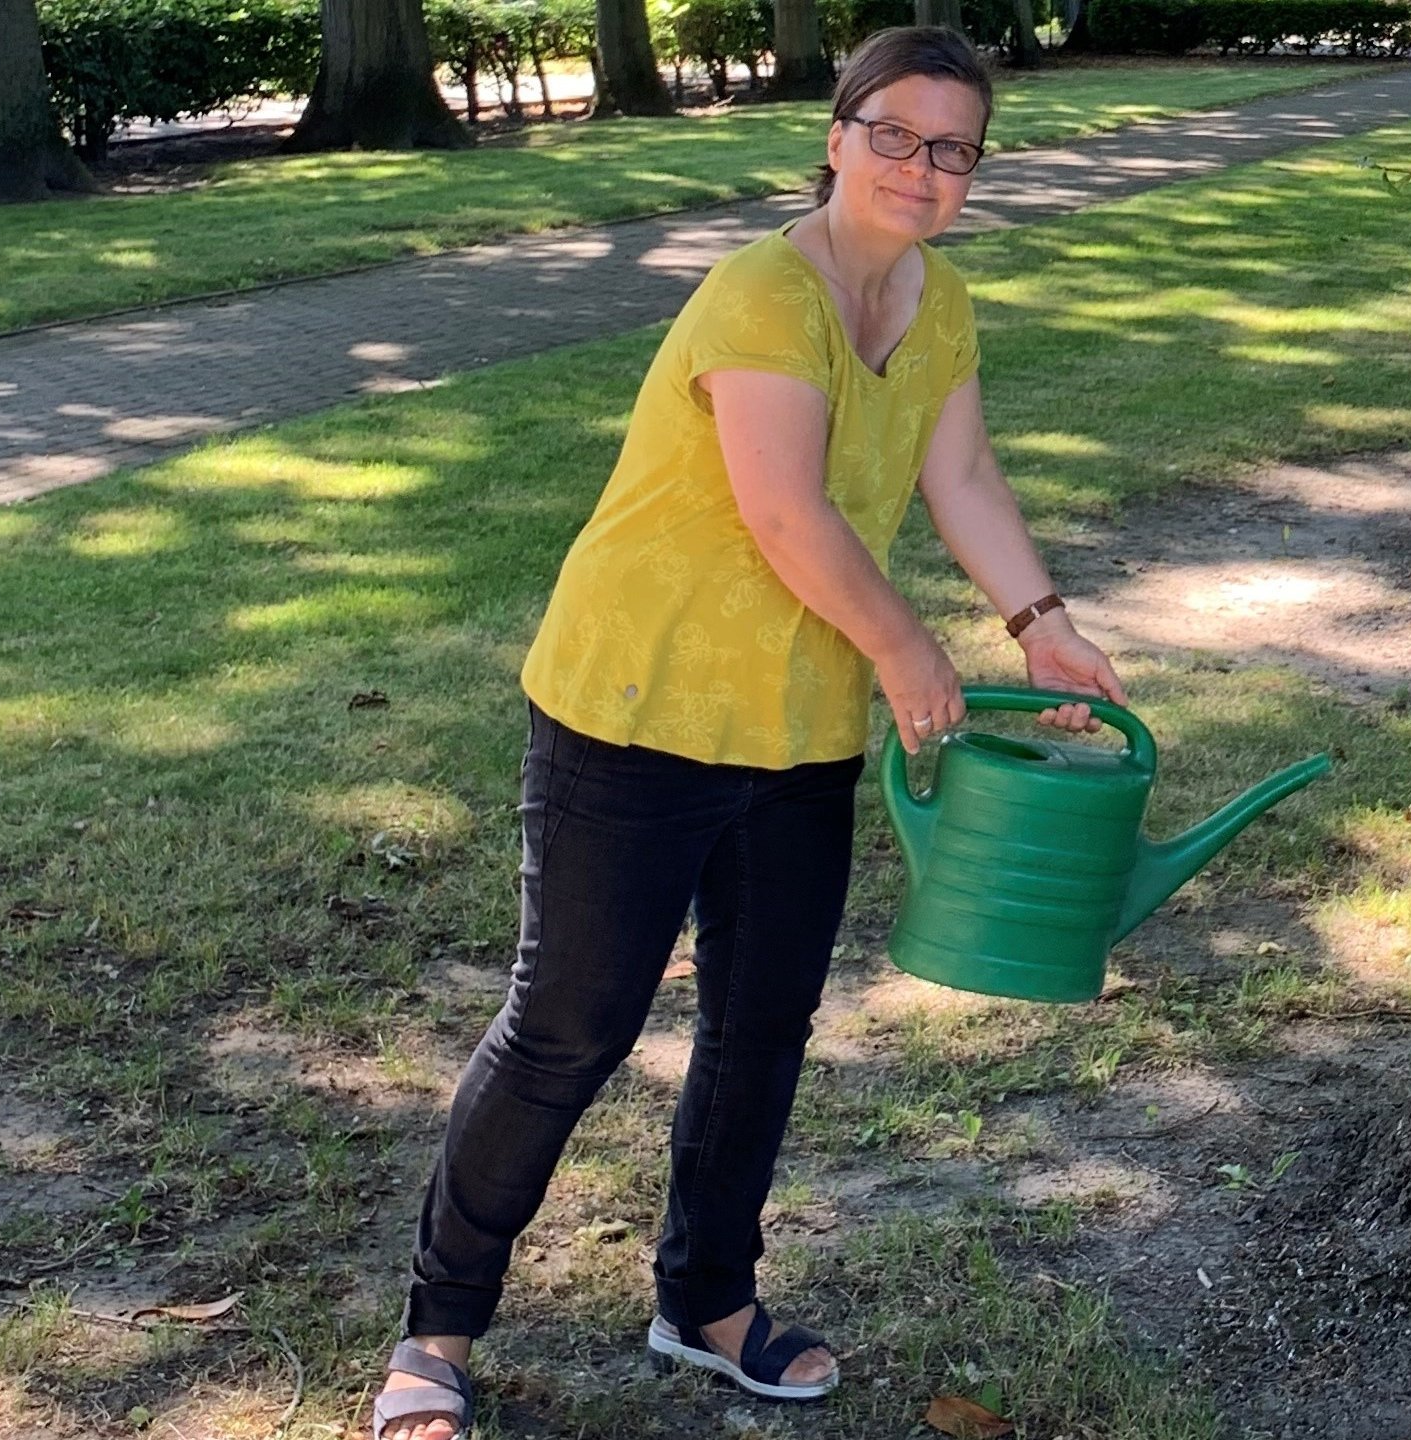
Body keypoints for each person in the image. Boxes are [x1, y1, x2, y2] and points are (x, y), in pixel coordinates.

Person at [368, 27, 1126, 1440]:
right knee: (568, 1029)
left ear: (973, 173)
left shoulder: (937, 300)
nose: (921, 166)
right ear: (837, 135)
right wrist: (908, 648)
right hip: (636, 705)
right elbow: (787, 510)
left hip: (796, 727)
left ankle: (708, 1299)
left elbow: (957, 470)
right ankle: (437, 1330)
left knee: (762, 1022)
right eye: (893, 133)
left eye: (951, 147)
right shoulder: (761, 294)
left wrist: (1038, 623)